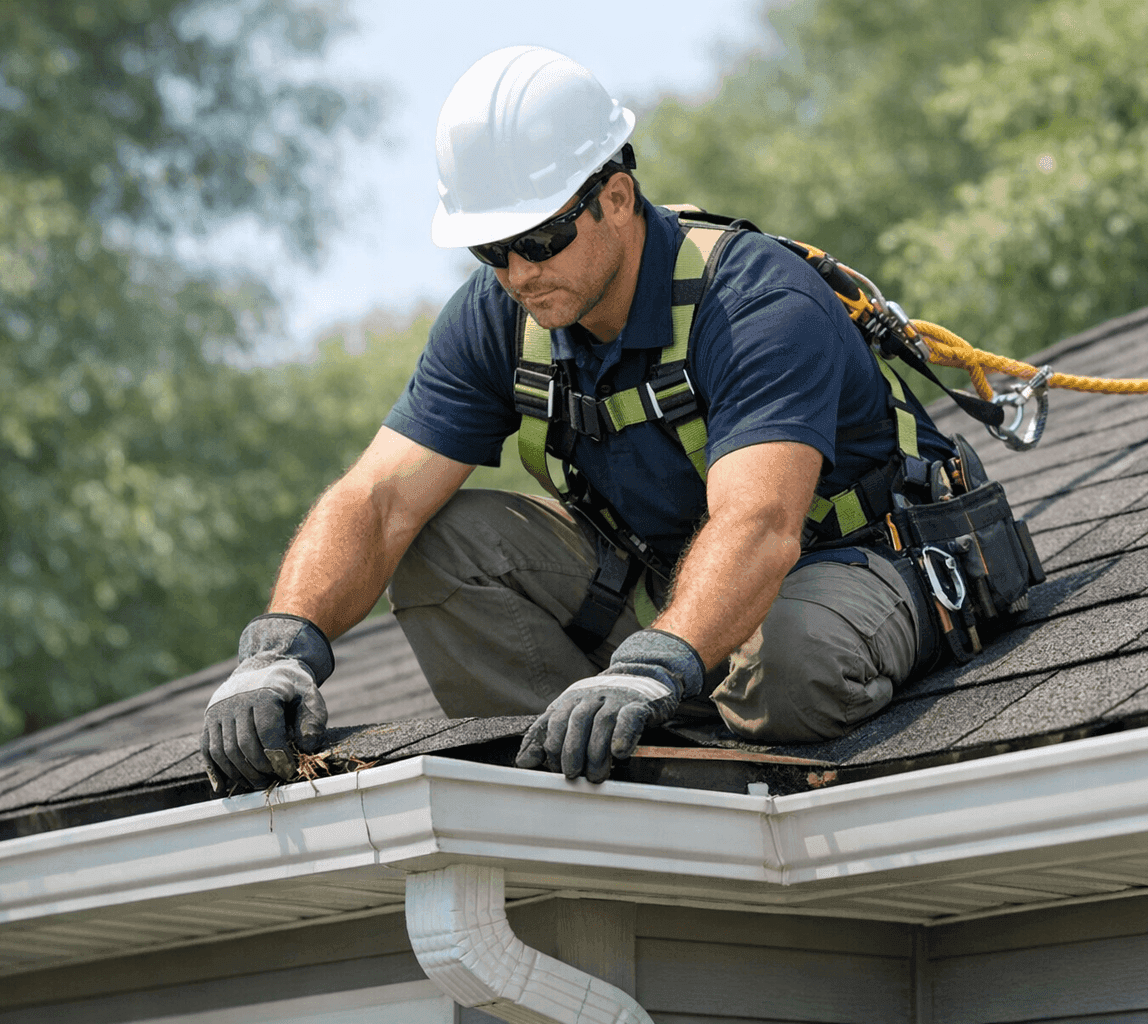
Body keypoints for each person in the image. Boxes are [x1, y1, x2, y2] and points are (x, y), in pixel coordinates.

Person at [200, 45, 964, 793]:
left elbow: (760, 524)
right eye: (490, 249)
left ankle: (661, 699)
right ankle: (582, 774)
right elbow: (379, 498)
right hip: (674, 593)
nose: (519, 272)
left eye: (540, 238)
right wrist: (281, 647)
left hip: (855, 562)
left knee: (794, 668)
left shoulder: (755, 301)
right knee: (443, 545)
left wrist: (651, 665)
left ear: (618, 199)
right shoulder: (498, 317)